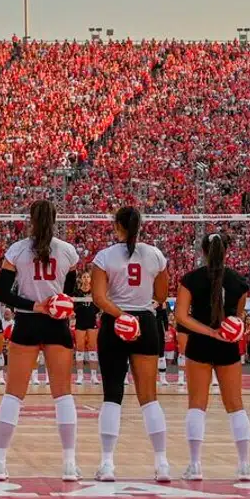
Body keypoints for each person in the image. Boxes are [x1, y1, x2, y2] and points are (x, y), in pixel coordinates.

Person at [0, 199, 82, 480]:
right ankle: (69, 463)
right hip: (57, 324)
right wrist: (54, 302)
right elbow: (69, 291)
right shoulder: (67, 251)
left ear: (30, 219)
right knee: (63, 395)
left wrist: (34, 305)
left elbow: (2, 293)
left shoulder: (17, 250)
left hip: (28, 322)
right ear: (55, 219)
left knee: (13, 394)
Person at [91, 206, 171, 482]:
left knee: (112, 395)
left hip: (116, 323)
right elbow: (161, 294)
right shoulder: (155, 255)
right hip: (146, 324)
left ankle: (108, 464)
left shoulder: (105, 256)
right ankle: (162, 463)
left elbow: (99, 298)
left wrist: (122, 316)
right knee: (149, 396)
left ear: (118, 226)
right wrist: (137, 312)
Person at [174, 232, 250, 482]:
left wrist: (208, 330)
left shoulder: (191, 279)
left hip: (199, 343)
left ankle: (195, 465)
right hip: (227, 346)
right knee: (235, 405)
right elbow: (239, 318)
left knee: (197, 404)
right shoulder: (239, 282)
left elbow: (181, 316)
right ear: (226, 251)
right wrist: (230, 329)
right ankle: (244, 465)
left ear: (204, 251)